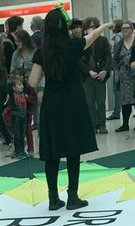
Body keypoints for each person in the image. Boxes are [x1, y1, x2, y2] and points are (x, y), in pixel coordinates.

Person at [29, 11, 110, 209]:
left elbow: (32, 81)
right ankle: (73, 196)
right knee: (74, 149)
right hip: (74, 100)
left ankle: (52, 198)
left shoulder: (42, 51)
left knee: (52, 151)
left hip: (52, 102)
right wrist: (105, 26)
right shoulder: (73, 45)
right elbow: (91, 36)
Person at [81, 15, 112, 135]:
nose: (92, 29)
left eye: (94, 27)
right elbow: (79, 60)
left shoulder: (102, 40)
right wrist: (89, 71)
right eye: (89, 27)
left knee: (100, 102)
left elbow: (108, 56)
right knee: (89, 102)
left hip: (101, 75)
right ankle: (93, 125)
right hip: (87, 76)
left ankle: (102, 124)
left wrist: (105, 70)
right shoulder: (82, 41)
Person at [112, 20, 135, 133]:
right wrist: (116, 73)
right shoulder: (119, 43)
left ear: (132, 29)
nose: (125, 30)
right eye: (123, 28)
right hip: (124, 75)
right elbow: (115, 59)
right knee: (125, 100)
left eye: (127, 28)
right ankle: (125, 124)